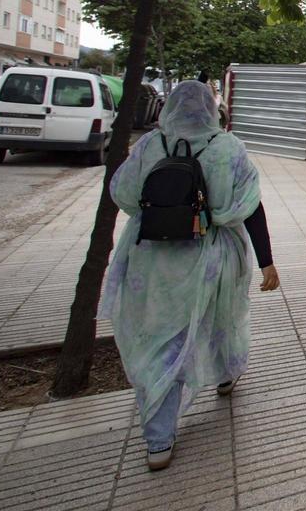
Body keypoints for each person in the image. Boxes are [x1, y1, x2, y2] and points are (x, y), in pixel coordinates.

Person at [99, 80, 280, 471]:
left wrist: (163, 214)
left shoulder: (151, 145)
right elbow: (251, 205)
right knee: (220, 318)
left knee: (163, 337)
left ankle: (159, 440)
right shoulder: (227, 147)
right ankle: (226, 373)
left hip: (153, 258)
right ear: (210, 108)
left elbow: (124, 193)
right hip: (212, 254)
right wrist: (266, 260)